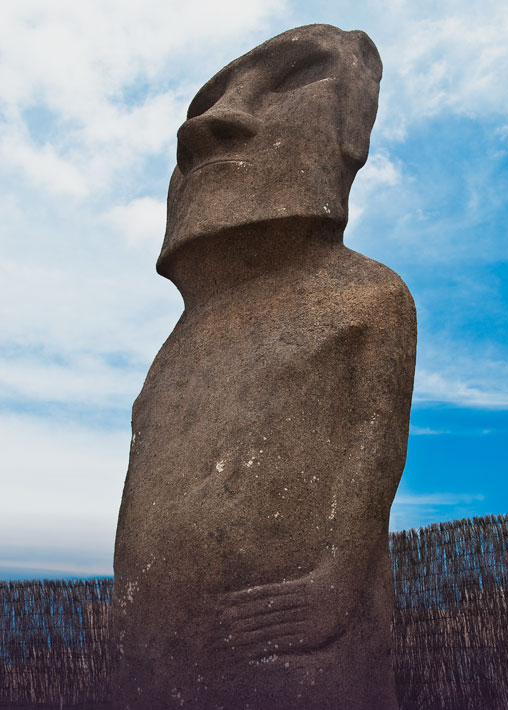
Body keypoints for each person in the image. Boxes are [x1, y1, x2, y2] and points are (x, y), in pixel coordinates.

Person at [113, 24, 415, 710]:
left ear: (351, 128)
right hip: (156, 657)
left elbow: (377, 446)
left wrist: (335, 585)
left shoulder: (367, 297)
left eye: (287, 80)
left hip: (292, 642)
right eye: (204, 106)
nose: (212, 125)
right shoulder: (180, 342)